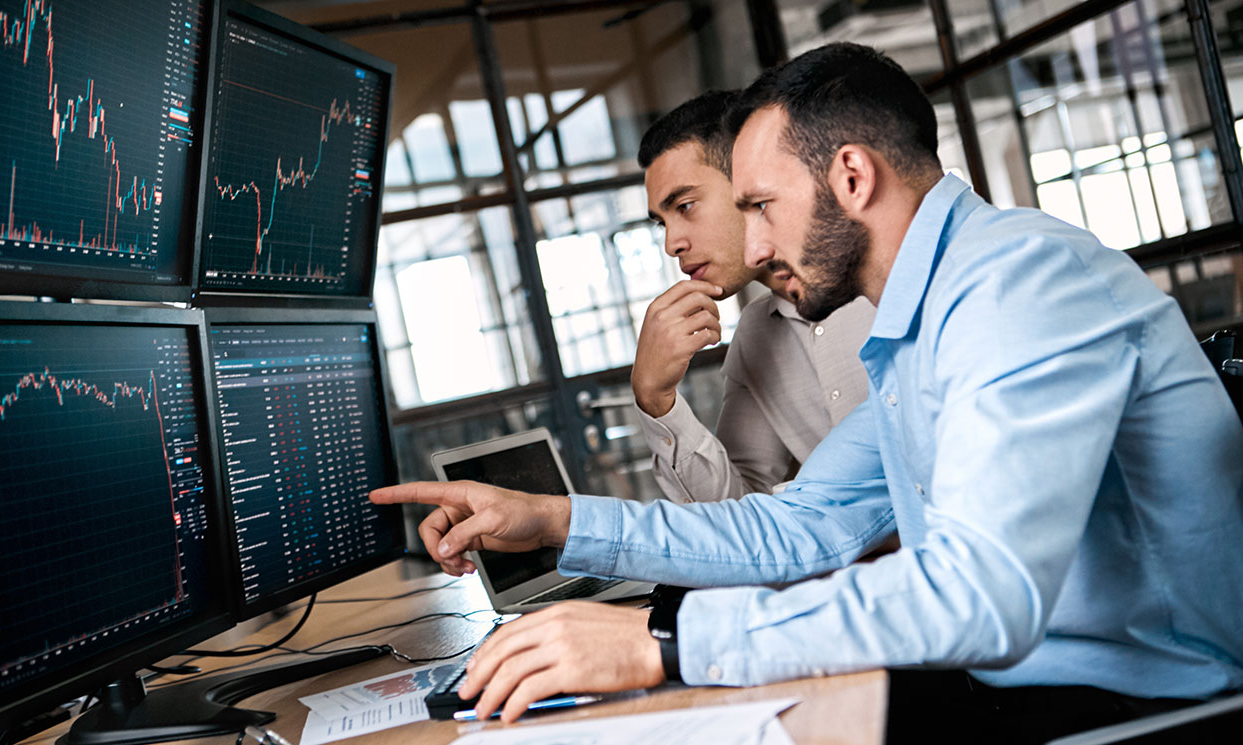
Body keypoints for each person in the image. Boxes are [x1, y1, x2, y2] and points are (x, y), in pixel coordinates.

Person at [372, 43, 1243, 741]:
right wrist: (556, 521)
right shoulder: (923, 314)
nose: (749, 248)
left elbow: (982, 595)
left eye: (759, 206)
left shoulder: (1018, 284)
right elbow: (802, 524)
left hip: (1142, 707)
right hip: (1020, 686)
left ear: (851, 177)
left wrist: (660, 644)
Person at [634, 90, 874, 500]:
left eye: (686, 206)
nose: (672, 243)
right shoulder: (755, 336)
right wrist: (655, 399)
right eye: (662, 223)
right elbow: (736, 515)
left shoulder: (880, 285)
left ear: (748, 180)